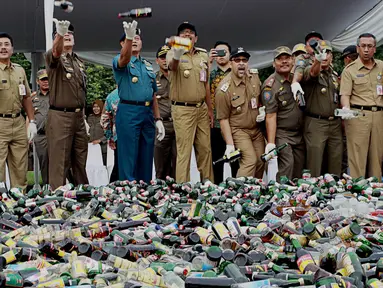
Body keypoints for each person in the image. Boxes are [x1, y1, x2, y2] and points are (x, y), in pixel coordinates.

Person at [112, 20, 164, 183]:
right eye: (130, 38)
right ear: (123, 43)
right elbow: (124, 58)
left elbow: (153, 94)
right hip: (129, 111)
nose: (134, 40)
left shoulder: (147, 66)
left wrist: (158, 119)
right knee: (128, 156)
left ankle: (144, 189)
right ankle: (128, 193)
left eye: (137, 38)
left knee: (146, 156)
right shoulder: (121, 61)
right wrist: (129, 37)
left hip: (147, 113)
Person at [166, 22, 214, 182]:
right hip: (182, 109)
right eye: (184, 33)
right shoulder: (171, 52)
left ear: (196, 38)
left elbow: (205, 83)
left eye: (191, 32)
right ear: (179, 37)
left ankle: (209, 187)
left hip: (201, 108)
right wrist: (178, 54)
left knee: (205, 149)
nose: (188, 34)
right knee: (184, 151)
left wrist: (209, 109)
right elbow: (172, 66)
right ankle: (182, 189)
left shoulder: (203, 55)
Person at [46, 19, 89, 189]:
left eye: (70, 33)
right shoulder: (53, 57)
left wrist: (84, 117)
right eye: (65, 33)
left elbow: (81, 91)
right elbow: (56, 52)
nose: (68, 35)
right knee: (59, 163)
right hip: (60, 115)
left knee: (80, 161)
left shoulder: (79, 62)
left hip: (78, 116)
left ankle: (83, 198)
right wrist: (60, 35)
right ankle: (57, 201)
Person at [215, 47, 265, 178]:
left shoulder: (254, 77)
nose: (241, 63)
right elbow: (223, 119)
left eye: (244, 60)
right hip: (239, 130)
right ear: (231, 63)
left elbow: (260, 99)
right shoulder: (224, 89)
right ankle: (240, 191)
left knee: (261, 159)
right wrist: (229, 144)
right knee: (250, 161)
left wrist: (262, 109)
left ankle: (256, 191)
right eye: (237, 60)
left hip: (256, 129)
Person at [340, 33, 383, 180]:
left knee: (377, 156)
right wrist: (346, 109)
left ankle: (375, 191)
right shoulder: (350, 70)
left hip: (379, 116)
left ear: (374, 49)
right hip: (358, 116)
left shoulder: (381, 66)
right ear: (358, 48)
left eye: (369, 46)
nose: (366, 49)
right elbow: (345, 94)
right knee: (357, 156)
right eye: (363, 46)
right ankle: (358, 190)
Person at [261, 46, 305, 180]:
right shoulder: (270, 86)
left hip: (299, 133)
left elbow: (305, 64)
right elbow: (270, 116)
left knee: (299, 168)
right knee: (287, 165)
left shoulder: (296, 78)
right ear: (274, 63)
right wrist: (271, 142)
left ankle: (297, 199)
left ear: (293, 60)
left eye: (287, 58)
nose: (284, 62)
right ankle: (281, 196)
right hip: (282, 133)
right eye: (280, 59)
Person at [0, 32, 37, 190]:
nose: (3, 48)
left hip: (19, 121)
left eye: (6, 44)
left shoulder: (19, 70)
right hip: (0, 123)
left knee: (20, 168)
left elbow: (26, 97)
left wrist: (32, 121)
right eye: (0, 45)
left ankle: (18, 205)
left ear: (12, 49)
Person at [302, 40, 342, 177]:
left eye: (327, 53)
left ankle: (336, 193)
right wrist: (317, 61)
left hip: (335, 123)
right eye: (320, 53)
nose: (324, 56)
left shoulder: (334, 75)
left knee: (336, 161)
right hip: (316, 123)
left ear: (332, 56)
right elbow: (313, 73)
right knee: (315, 164)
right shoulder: (309, 70)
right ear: (313, 56)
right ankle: (313, 196)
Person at [209, 41, 239, 184]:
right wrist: (208, 63)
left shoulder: (237, 73)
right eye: (217, 53)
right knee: (217, 161)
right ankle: (217, 193)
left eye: (224, 52)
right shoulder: (210, 74)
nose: (220, 56)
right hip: (215, 123)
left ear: (230, 55)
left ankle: (237, 192)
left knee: (236, 162)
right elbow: (201, 90)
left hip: (234, 124)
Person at [154, 45, 176, 179]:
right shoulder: (153, 78)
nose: (165, 60)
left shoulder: (180, 77)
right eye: (162, 57)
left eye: (168, 57)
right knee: (160, 165)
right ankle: (160, 193)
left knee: (179, 163)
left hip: (179, 124)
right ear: (157, 60)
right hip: (162, 125)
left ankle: (178, 194)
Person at [291, 31, 324, 101]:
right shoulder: (303, 58)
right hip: (311, 99)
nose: (315, 44)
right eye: (311, 43)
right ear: (306, 47)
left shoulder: (326, 57)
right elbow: (299, 71)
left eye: (318, 42)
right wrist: (295, 82)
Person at [31, 69, 50, 185]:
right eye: (43, 79)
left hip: (56, 134)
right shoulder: (32, 97)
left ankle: (64, 189)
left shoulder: (57, 95)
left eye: (47, 79)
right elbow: (30, 115)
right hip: (40, 135)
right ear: (38, 81)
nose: (46, 82)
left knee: (60, 163)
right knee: (44, 164)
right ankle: (48, 189)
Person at [101, 88, 119, 182]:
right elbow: (105, 119)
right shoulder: (112, 96)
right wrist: (110, 137)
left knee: (119, 166)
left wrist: (109, 137)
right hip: (120, 136)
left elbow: (104, 119)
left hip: (118, 136)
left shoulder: (111, 96)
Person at [88, 100, 107, 165]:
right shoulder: (90, 118)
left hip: (102, 149)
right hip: (91, 148)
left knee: (102, 168)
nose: (95, 109)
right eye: (94, 107)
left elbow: (109, 134)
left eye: (98, 107)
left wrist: (100, 140)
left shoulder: (105, 118)